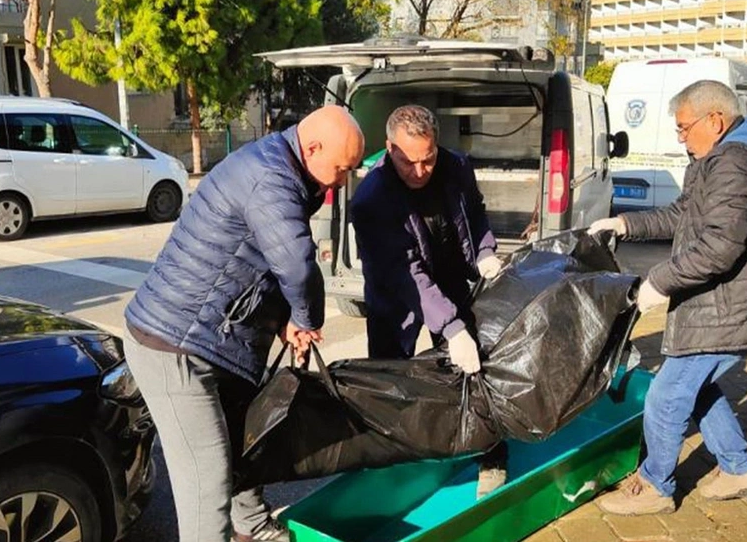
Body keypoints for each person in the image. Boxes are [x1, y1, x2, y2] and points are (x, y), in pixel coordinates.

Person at [124, 105, 365, 542]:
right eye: (342, 168)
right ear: (312, 148)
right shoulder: (269, 178)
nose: (343, 180)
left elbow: (256, 264)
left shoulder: (286, 168)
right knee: (207, 478)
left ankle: (252, 528)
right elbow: (296, 265)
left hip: (212, 337)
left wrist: (282, 323)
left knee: (242, 438)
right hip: (174, 347)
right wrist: (306, 318)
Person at [588, 80, 747, 516]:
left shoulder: (734, 166)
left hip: (739, 305)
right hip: (736, 298)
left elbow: (718, 248)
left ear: (716, 120)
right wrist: (625, 225)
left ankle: (655, 486)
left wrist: (658, 283)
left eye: (685, 128)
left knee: (667, 395)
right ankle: (739, 468)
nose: (680, 136)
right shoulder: (718, 159)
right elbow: (681, 216)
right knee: (697, 385)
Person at [350, 104, 507, 497]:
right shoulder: (372, 199)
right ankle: (397, 462)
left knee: (470, 371)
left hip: (451, 276)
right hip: (396, 294)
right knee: (392, 382)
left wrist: (485, 250)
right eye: (408, 163)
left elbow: (475, 211)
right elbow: (409, 276)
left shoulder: (455, 166)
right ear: (388, 149)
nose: (420, 172)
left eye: (428, 159)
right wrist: (450, 327)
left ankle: (488, 452)